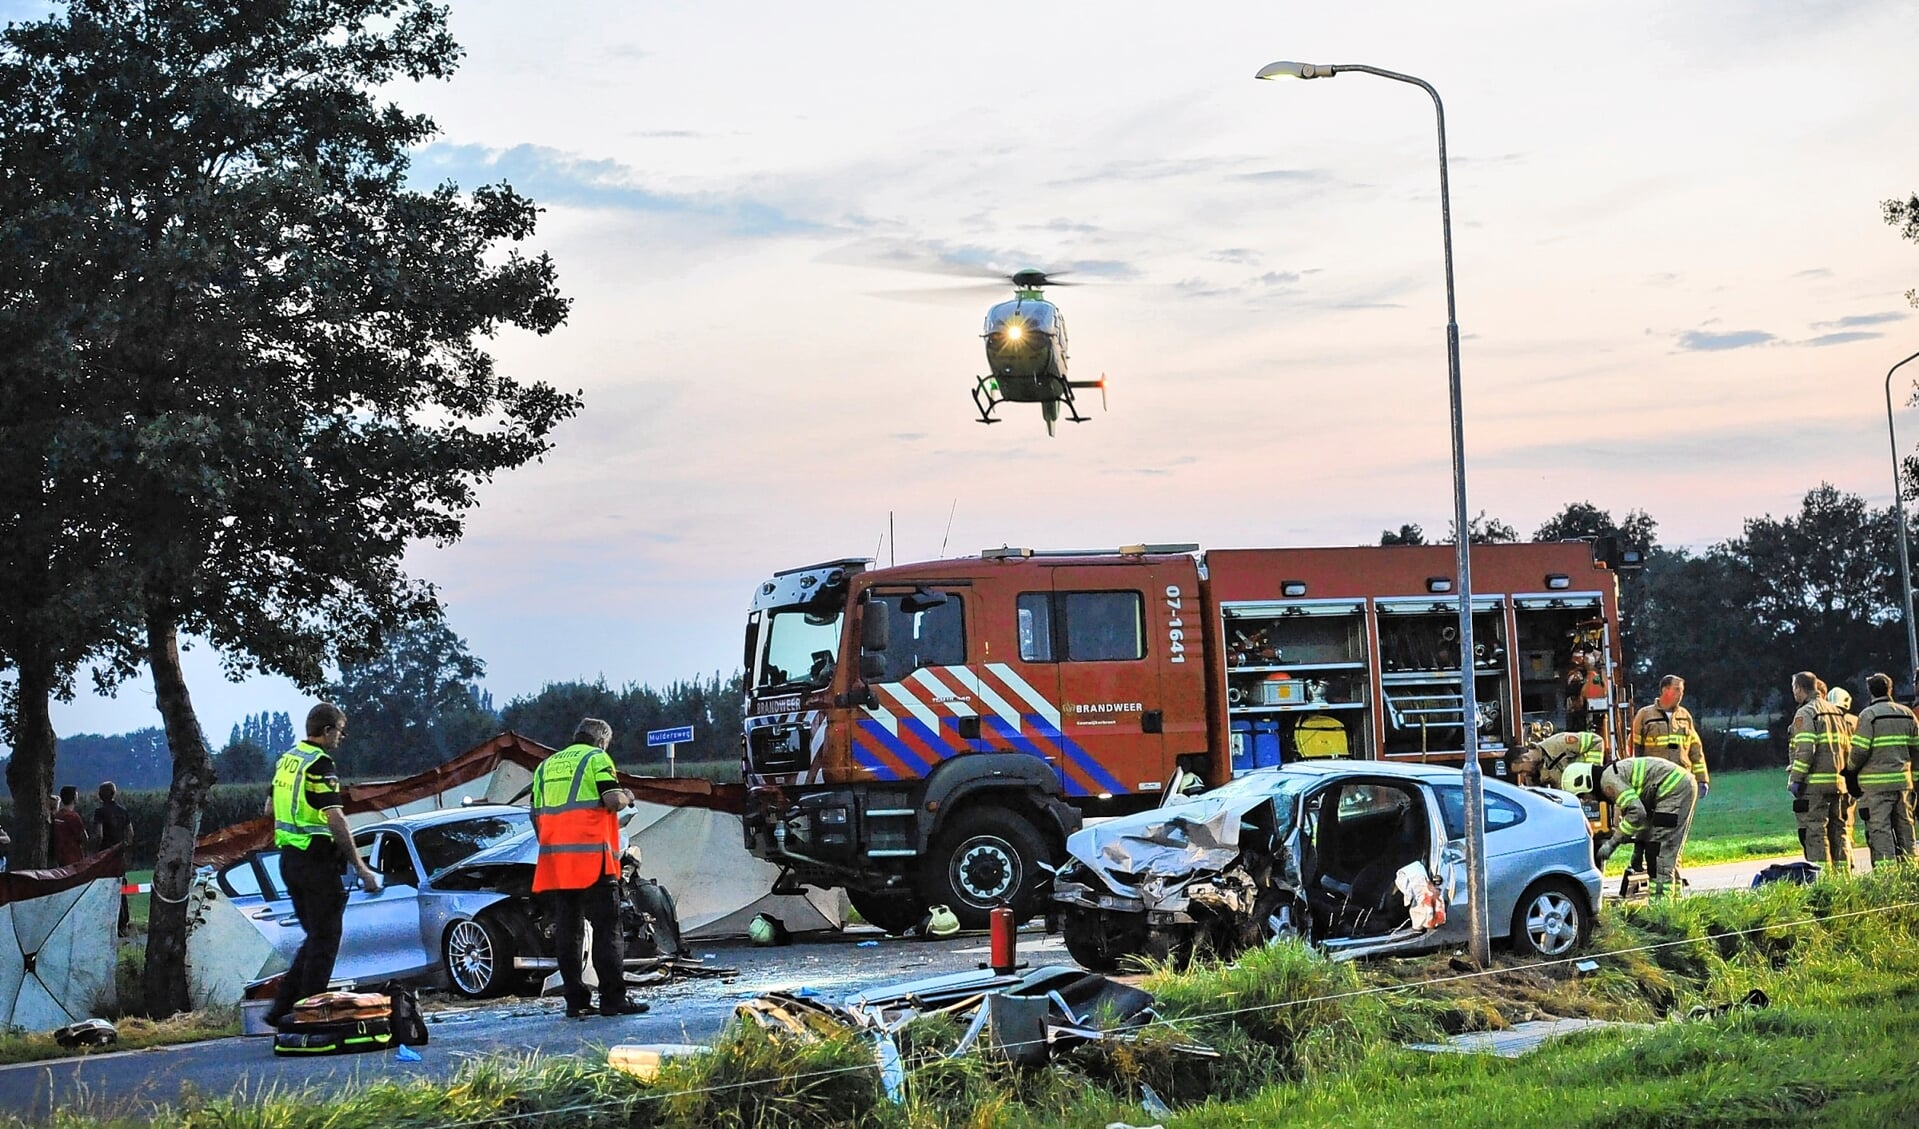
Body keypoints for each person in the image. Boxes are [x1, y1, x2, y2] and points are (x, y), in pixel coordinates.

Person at [263, 703, 382, 1029]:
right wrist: (361, 867)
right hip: (315, 862)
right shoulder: (320, 765)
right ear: (327, 730)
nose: (341, 737)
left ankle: (281, 1010)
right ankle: (309, 1015)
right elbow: (336, 819)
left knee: (316, 936)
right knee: (326, 938)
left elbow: (269, 805)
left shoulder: (288, 759)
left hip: (289, 860)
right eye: (340, 731)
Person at [531, 717, 646, 1019]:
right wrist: (628, 796)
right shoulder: (597, 758)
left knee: (569, 933)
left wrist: (552, 844)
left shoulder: (546, 766)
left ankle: (576, 1001)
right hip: (593, 858)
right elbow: (612, 800)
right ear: (600, 740)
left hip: (558, 861)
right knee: (608, 928)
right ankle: (612, 999)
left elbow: (535, 814)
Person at [1564, 758, 1697, 899]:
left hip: (1673, 791)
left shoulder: (1608, 783)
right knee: (1666, 853)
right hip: (1677, 787)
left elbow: (1637, 813)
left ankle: (1661, 910)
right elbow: (1645, 816)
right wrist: (1639, 850)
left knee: (1658, 855)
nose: (1587, 800)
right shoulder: (1611, 775)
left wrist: (1612, 843)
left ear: (1585, 783)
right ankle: (1675, 904)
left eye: (1582, 796)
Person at [1787, 671, 1853, 874]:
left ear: (1799, 688)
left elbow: (1805, 750)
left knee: (1815, 832)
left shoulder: (1806, 713)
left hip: (1815, 786)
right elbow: (1847, 747)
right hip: (1840, 783)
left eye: (1794, 688)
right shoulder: (1836, 712)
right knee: (1839, 831)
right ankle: (1844, 879)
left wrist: (1795, 779)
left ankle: (1822, 881)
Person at [1849, 673, 1916, 868]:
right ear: (1890, 689)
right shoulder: (1907, 714)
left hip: (1876, 787)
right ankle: (1911, 875)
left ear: (1870, 691)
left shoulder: (1868, 715)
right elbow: (1916, 749)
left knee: (1880, 832)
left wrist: (1851, 769)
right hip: (1903, 784)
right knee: (1906, 829)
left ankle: (1887, 881)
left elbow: (1859, 751)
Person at [1630, 675, 1709, 799]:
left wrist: (1702, 779)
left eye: (1682, 690)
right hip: (1654, 780)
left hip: (1682, 779)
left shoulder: (1685, 716)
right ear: (1665, 690)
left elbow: (1696, 750)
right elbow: (1633, 748)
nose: (1681, 694)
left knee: (1681, 817)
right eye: (1677, 689)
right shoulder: (1645, 715)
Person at [93, 782, 134, 936]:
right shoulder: (123, 811)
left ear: (100, 796)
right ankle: (124, 922)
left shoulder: (100, 812)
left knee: (106, 888)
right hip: (120, 854)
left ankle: (110, 922)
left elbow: (99, 834)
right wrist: (124, 846)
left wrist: (95, 851)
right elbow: (131, 833)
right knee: (121, 887)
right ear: (114, 794)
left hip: (106, 855)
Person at [1505, 728, 1604, 789]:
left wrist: (1593, 772)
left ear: (1526, 757)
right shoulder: (1535, 780)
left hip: (1603, 779)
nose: (1524, 774)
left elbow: (1595, 741)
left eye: (1522, 770)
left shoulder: (1556, 745)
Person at [50, 786, 88, 867]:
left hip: (60, 856)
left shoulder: (58, 815)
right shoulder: (73, 816)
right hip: (73, 857)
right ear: (74, 798)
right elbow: (84, 837)